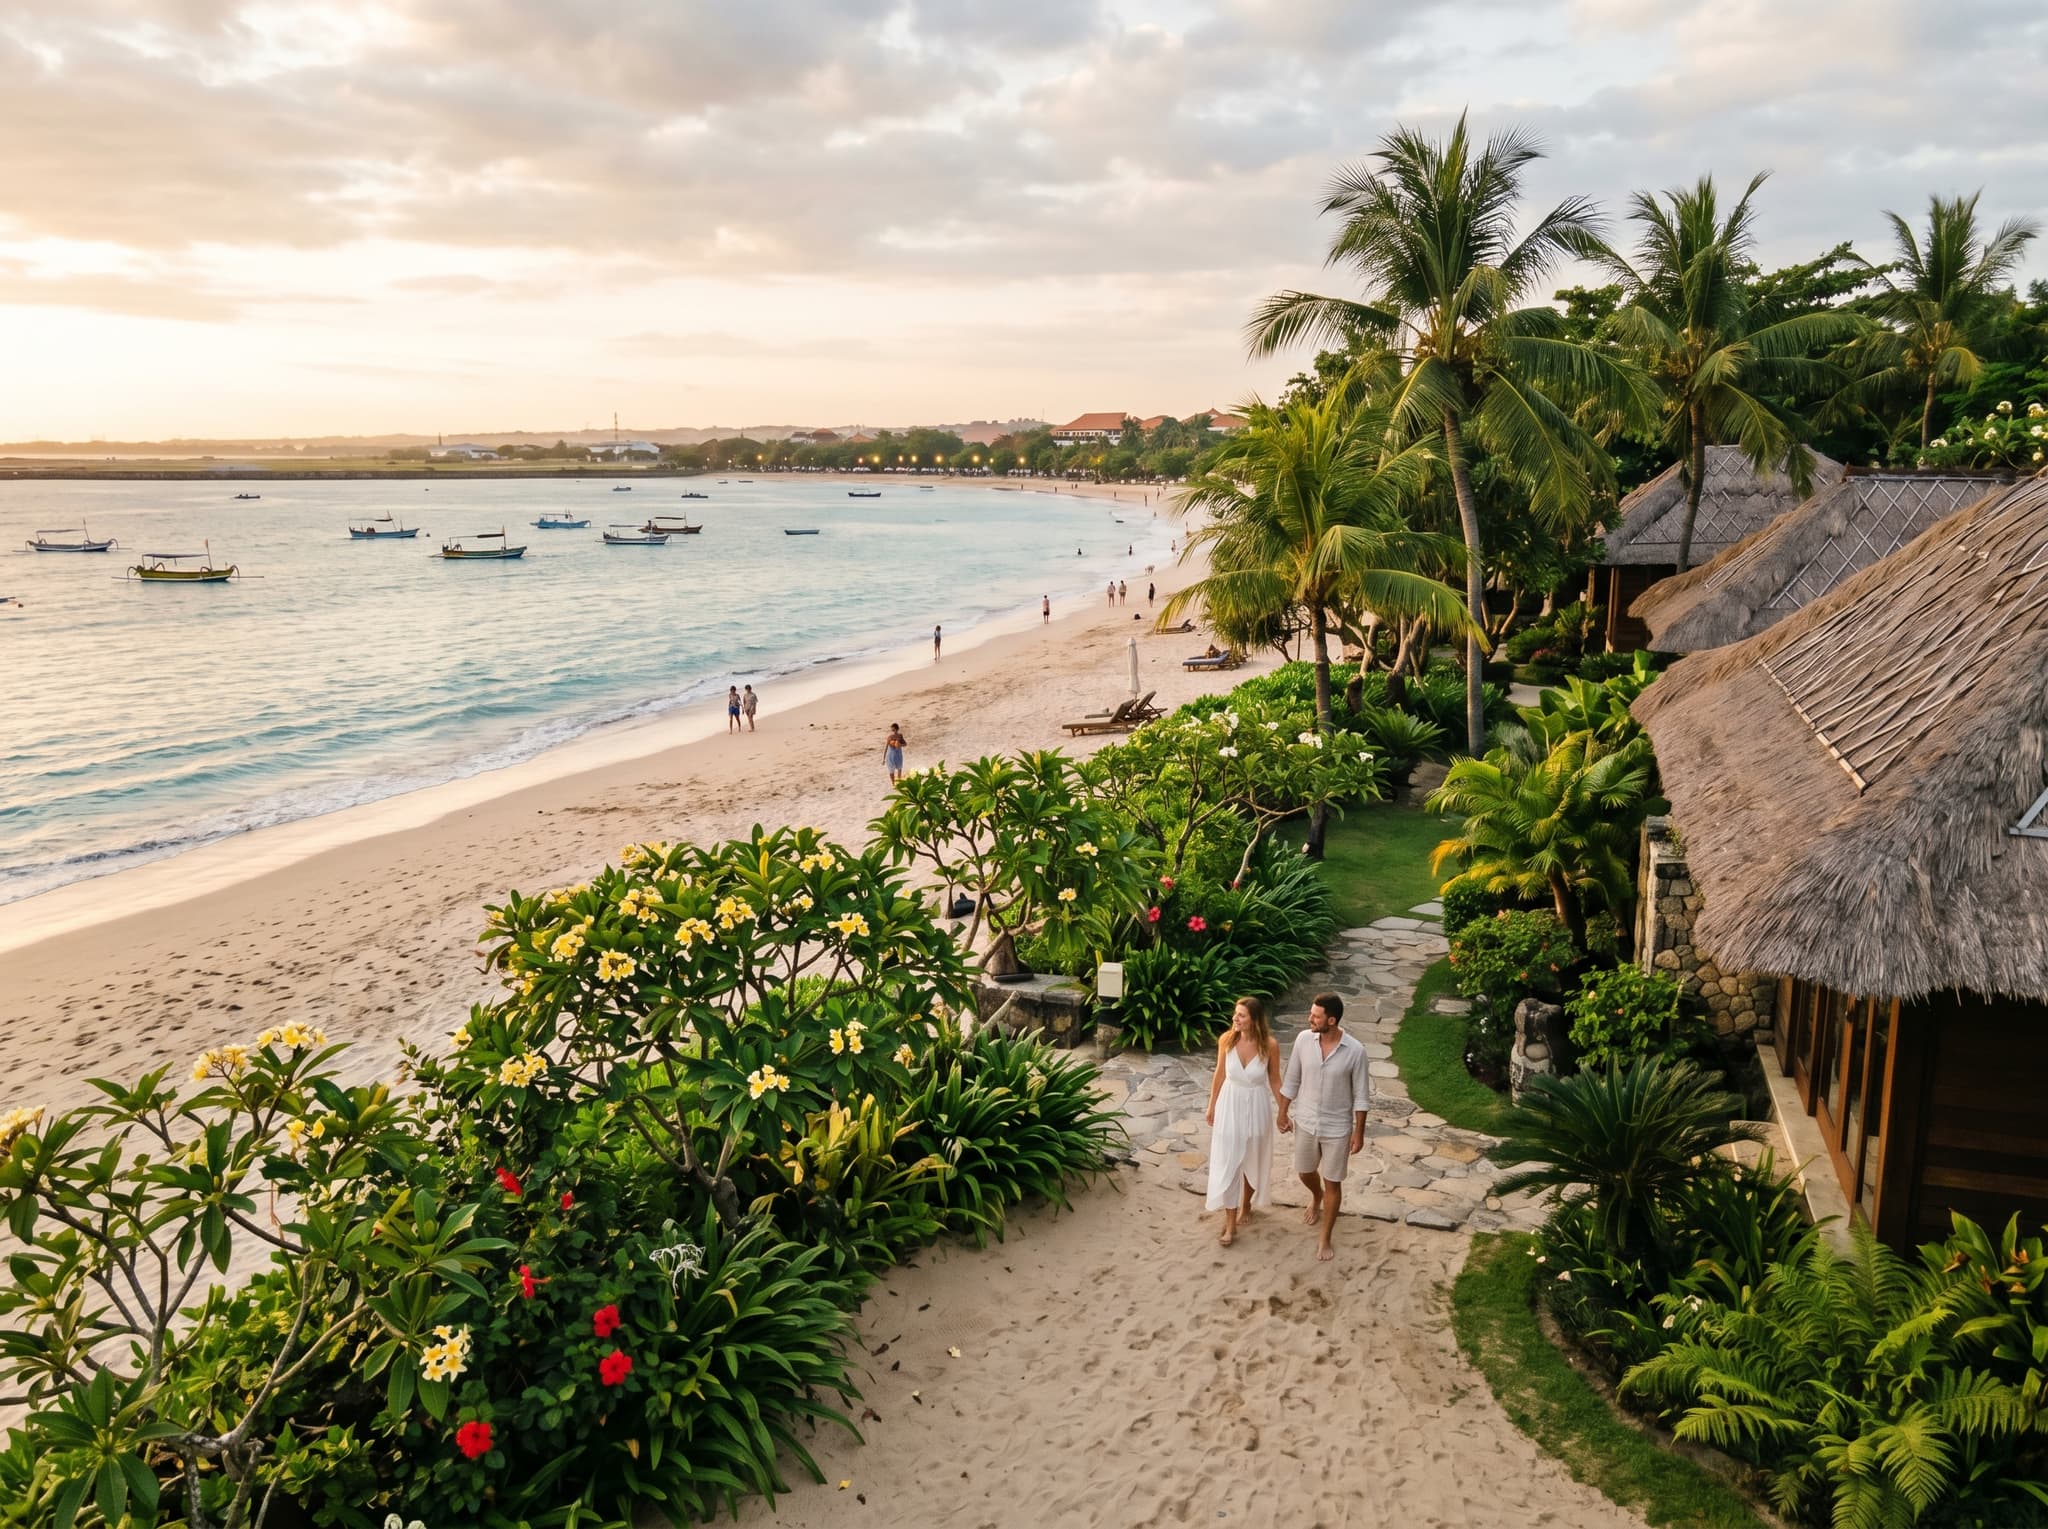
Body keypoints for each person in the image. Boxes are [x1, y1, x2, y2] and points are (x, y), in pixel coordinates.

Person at [1278, 993, 1370, 1262]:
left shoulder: (1355, 1051)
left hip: (1337, 1127)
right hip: (1305, 1121)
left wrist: (1358, 1131)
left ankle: (1325, 1237)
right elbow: (1292, 1078)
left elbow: (1362, 1096)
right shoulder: (1303, 1040)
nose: (1310, 1019)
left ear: (1331, 1020)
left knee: (1333, 1181)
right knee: (1305, 1172)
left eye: (1316, 1016)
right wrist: (1282, 1112)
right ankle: (1315, 1196)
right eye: (1311, 1014)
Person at [1205, 997, 1282, 1247]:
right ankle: (1230, 1224)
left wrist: (1283, 1111)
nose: (1235, 1019)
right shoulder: (1227, 1040)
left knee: (1251, 1158)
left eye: (1241, 1015)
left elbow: (1275, 1080)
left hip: (1257, 1105)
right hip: (1230, 1103)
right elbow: (1219, 1074)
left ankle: (1246, 1203)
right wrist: (1211, 1106)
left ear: (1255, 1019)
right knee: (1229, 1161)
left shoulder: (1269, 1045)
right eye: (1235, 1014)